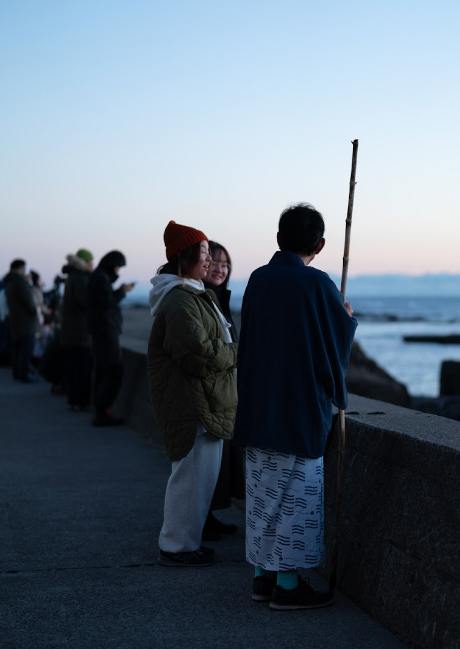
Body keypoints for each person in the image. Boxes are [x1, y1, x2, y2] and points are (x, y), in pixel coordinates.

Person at [232, 203, 357, 610]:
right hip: (298, 408)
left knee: (262, 493)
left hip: (257, 404)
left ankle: (262, 577)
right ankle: (287, 585)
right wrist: (346, 318)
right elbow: (334, 344)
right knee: (296, 496)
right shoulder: (318, 284)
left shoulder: (257, 279)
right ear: (320, 245)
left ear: (279, 239)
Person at [147, 221, 237, 567]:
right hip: (192, 402)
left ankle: (187, 542)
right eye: (203, 254)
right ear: (183, 258)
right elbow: (198, 353)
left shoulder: (193, 293)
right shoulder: (180, 299)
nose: (209, 261)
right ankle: (176, 547)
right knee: (190, 479)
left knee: (200, 480)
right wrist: (237, 353)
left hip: (203, 399)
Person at [201, 240, 241, 541]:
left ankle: (207, 518)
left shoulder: (219, 298)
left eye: (225, 264)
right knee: (206, 463)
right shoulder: (202, 299)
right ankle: (202, 520)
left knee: (218, 461)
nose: (220, 268)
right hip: (209, 393)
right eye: (214, 262)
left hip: (224, 391)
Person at [87, 250, 135, 426]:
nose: (118, 271)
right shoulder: (100, 278)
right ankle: (102, 411)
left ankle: (100, 411)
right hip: (106, 329)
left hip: (101, 329)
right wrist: (122, 291)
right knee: (114, 370)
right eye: (117, 267)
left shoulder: (98, 276)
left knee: (103, 370)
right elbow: (108, 302)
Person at [61, 249, 94, 411]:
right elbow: (86, 303)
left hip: (71, 331)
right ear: (85, 262)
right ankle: (80, 401)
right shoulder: (80, 278)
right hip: (80, 332)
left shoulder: (73, 276)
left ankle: (74, 401)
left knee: (74, 368)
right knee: (82, 368)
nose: (93, 264)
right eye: (91, 261)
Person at [5, 259, 38, 383]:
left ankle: (17, 374)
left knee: (18, 349)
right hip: (25, 322)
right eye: (24, 268)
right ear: (19, 268)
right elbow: (29, 302)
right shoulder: (20, 282)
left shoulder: (9, 281)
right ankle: (24, 374)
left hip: (15, 320)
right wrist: (35, 310)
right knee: (25, 349)